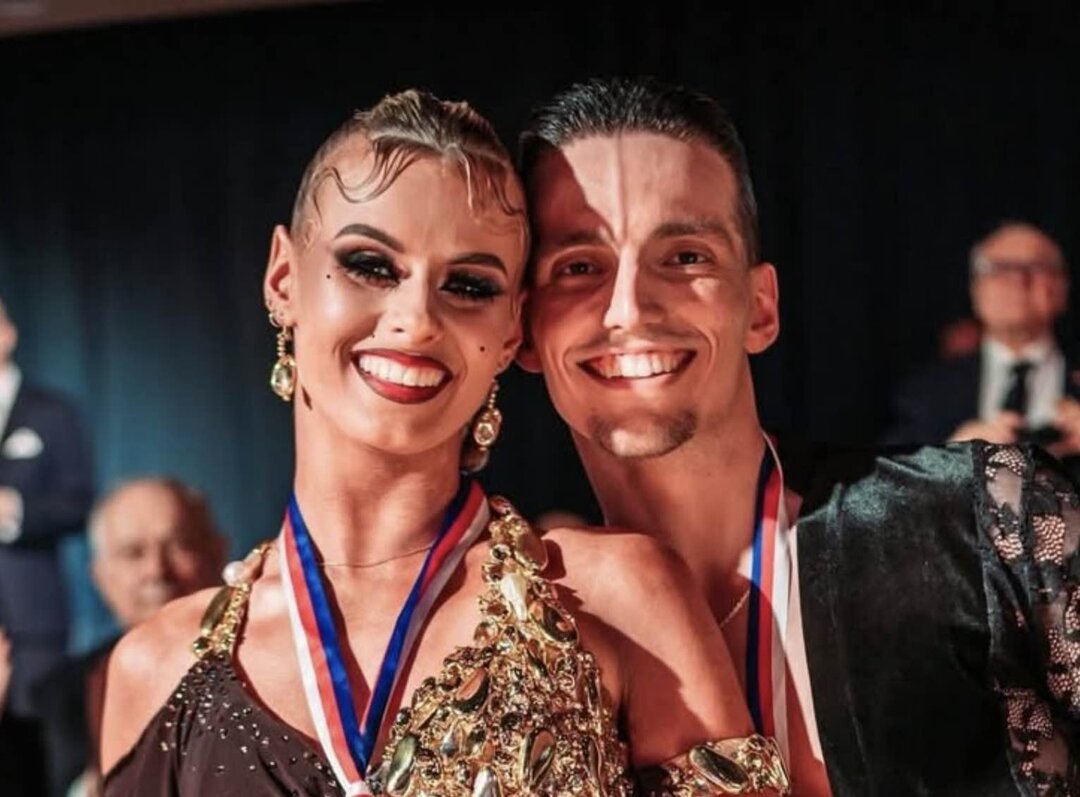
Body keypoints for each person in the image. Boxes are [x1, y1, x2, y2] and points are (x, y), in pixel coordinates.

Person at [99, 90, 788, 796]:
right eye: (371, 265)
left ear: (512, 329)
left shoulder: (618, 600)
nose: (417, 318)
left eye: (468, 284)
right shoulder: (157, 670)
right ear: (283, 279)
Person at [517, 76, 1080, 795]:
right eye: (578, 267)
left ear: (760, 308)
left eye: (684, 256)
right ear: (523, 328)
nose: (629, 307)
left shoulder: (986, 519)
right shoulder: (532, 639)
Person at [32, 477, 225, 797]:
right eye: (133, 554)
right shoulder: (59, 696)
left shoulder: (270, 666)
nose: (156, 571)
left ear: (218, 552)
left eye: (178, 545)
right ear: (100, 576)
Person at [886, 222, 1080, 466]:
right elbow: (882, 482)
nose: (1017, 280)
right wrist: (947, 462)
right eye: (999, 268)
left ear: (1062, 288)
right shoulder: (927, 393)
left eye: (1035, 267)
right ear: (975, 289)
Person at [0, 296, 94, 796]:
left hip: (32, 617)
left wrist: (14, 509)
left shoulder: (52, 412)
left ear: (7, 333)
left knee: (37, 743)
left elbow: (80, 503)